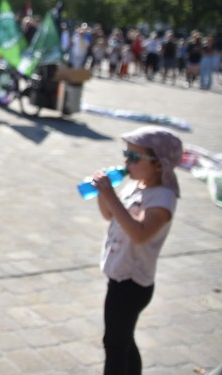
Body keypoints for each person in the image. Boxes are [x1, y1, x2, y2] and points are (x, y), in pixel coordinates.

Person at [91, 126, 183, 375]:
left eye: (134, 157)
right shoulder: (137, 185)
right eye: (125, 154)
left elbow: (140, 234)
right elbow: (108, 214)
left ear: (158, 165)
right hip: (120, 277)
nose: (125, 162)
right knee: (124, 340)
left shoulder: (163, 198)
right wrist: (104, 193)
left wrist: (111, 194)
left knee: (114, 344)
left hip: (132, 284)